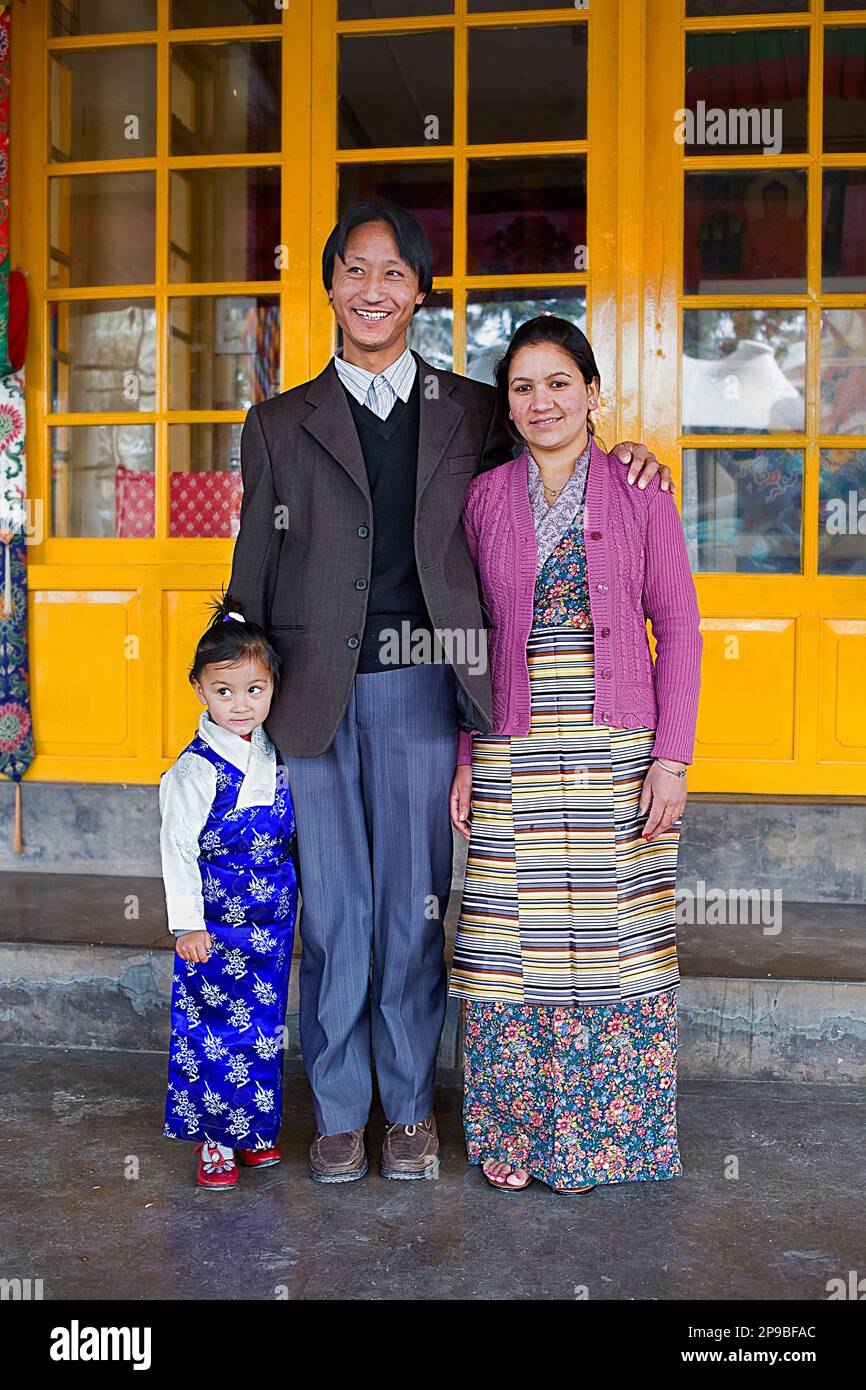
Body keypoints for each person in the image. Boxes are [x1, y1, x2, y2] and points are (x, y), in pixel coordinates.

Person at [227, 198, 672, 1185]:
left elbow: (560, 465)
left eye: (392, 272)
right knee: (333, 914)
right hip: (307, 698)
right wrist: (235, 707)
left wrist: (636, 455)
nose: (371, 288)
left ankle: (408, 1112)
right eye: (354, 269)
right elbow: (248, 578)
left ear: (419, 291)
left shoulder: (473, 410)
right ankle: (338, 1111)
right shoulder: (273, 423)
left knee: (412, 912)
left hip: (426, 688)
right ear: (330, 285)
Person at [449, 315, 702, 1194]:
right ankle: (516, 1138)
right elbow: (470, 638)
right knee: (510, 941)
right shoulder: (482, 498)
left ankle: (594, 1144)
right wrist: (466, 754)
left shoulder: (639, 489)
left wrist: (672, 758)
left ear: (593, 393)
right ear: (507, 405)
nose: (541, 400)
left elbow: (680, 628)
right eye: (523, 386)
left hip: (617, 743)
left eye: (559, 382)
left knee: (609, 942)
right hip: (513, 740)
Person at [159, 595, 298, 1190]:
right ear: (199, 689)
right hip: (216, 922)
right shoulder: (194, 770)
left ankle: (253, 1130)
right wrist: (187, 923)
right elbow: (177, 848)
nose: (240, 706)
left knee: (260, 1025)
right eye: (224, 692)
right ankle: (214, 1139)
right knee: (211, 1027)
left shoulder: (273, 751)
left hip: (270, 921)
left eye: (254, 690)